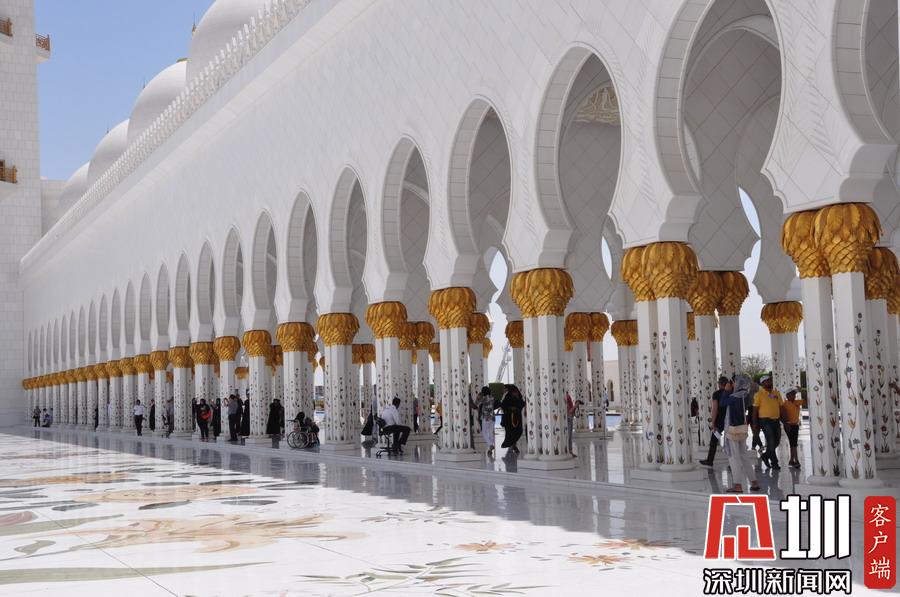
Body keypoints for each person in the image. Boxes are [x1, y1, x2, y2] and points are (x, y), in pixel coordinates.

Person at [718, 375, 761, 493]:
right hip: (742, 429)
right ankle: (754, 482)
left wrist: (726, 391)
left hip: (733, 430)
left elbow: (722, 403)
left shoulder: (734, 397)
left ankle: (737, 485)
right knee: (744, 456)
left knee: (734, 458)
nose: (731, 384)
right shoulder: (745, 396)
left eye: (732, 382)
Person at [753, 374, 783, 470]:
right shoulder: (759, 394)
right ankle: (775, 463)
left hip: (776, 420)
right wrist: (755, 424)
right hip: (765, 421)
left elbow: (781, 406)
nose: (770, 382)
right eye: (767, 381)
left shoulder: (776, 393)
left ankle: (765, 455)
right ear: (762, 383)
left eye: (770, 380)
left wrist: (785, 421)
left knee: (776, 442)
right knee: (771, 441)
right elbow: (755, 410)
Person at [699, 376, 730, 467]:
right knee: (731, 442)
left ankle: (710, 460)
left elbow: (715, 409)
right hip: (730, 420)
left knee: (714, 441)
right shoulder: (731, 393)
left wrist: (713, 423)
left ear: (719, 384)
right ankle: (732, 463)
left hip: (720, 421)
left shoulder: (716, 394)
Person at [500, 384, 525, 453]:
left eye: (504, 388)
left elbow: (522, 404)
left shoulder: (517, 395)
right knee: (510, 432)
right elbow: (503, 405)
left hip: (516, 416)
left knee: (518, 431)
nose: (503, 390)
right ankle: (513, 445)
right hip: (509, 417)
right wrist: (510, 408)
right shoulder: (507, 396)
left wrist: (517, 398)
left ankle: (513, 444)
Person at [782, 387, 802, 469]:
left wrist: (800, 390)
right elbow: (782, 415)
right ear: (787, 395)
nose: (794, 396)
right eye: (792, 394)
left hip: (795, 425)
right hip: (789, 426)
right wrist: (786, 423)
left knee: (793, 443)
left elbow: (807, 400)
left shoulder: (797, 402)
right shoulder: (785, 404)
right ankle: (796, 460)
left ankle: (791, 460)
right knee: (793, 443)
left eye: (794, 394)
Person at [472, 386, 495, 457]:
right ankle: (490, 447)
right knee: (490, 432)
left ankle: (490, 445)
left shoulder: (483, 398)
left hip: (486, 417)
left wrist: (478, 397)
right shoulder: (492, 397)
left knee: (484, 432)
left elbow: (475, 404)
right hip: (492, 417)